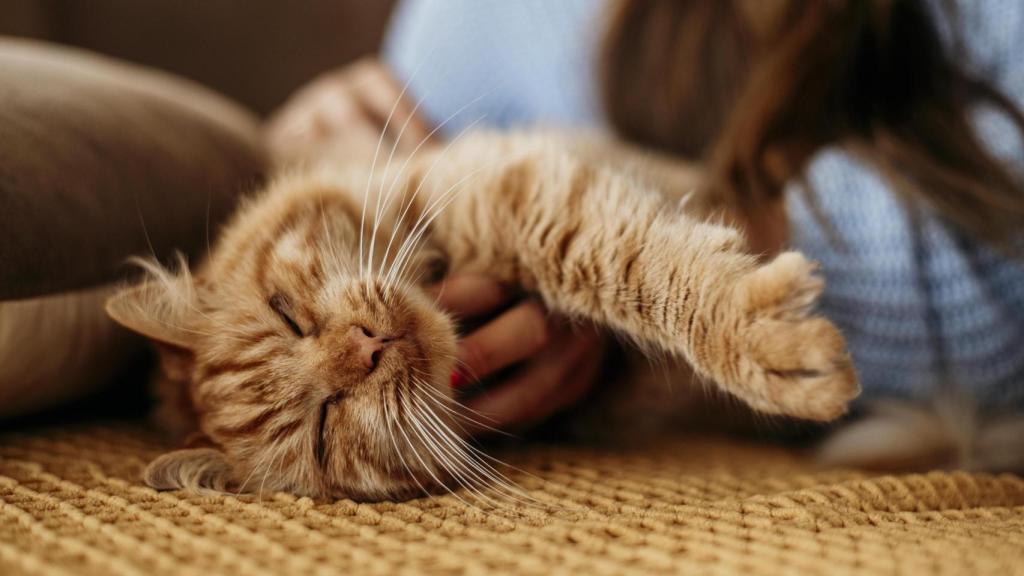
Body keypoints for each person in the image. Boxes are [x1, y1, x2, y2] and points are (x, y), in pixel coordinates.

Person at [267, 0, 1024, 439]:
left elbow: (1001, 270)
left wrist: (613, 278)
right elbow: (375, 153)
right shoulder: (472, 23)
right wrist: (317, 156)